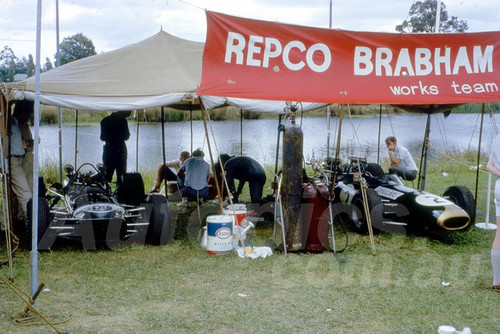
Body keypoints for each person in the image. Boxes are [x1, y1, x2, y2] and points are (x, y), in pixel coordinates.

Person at [8, 100, 34, 228]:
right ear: (21, 112)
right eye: (28, 113)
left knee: (24, 192)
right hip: (12, 160)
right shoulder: (10, 123)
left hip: (19, 158)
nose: (29, 116)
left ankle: (23, 221)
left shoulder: (18, 123)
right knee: (25, 194)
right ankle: (33, 225)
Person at [100, 111, 131, 187]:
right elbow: (126, 136)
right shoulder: (123, 120)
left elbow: (102, 137)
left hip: (109, 150)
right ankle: (120, 195)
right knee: (121, 176)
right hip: (121, 149)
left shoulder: (104, 121)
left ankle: (105, 194)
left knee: (106, 175)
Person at [486, 134, 500, 292]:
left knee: (499, 234)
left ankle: (497, 281)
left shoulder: (497, 138)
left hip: (499, 187)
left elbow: (489, 165)